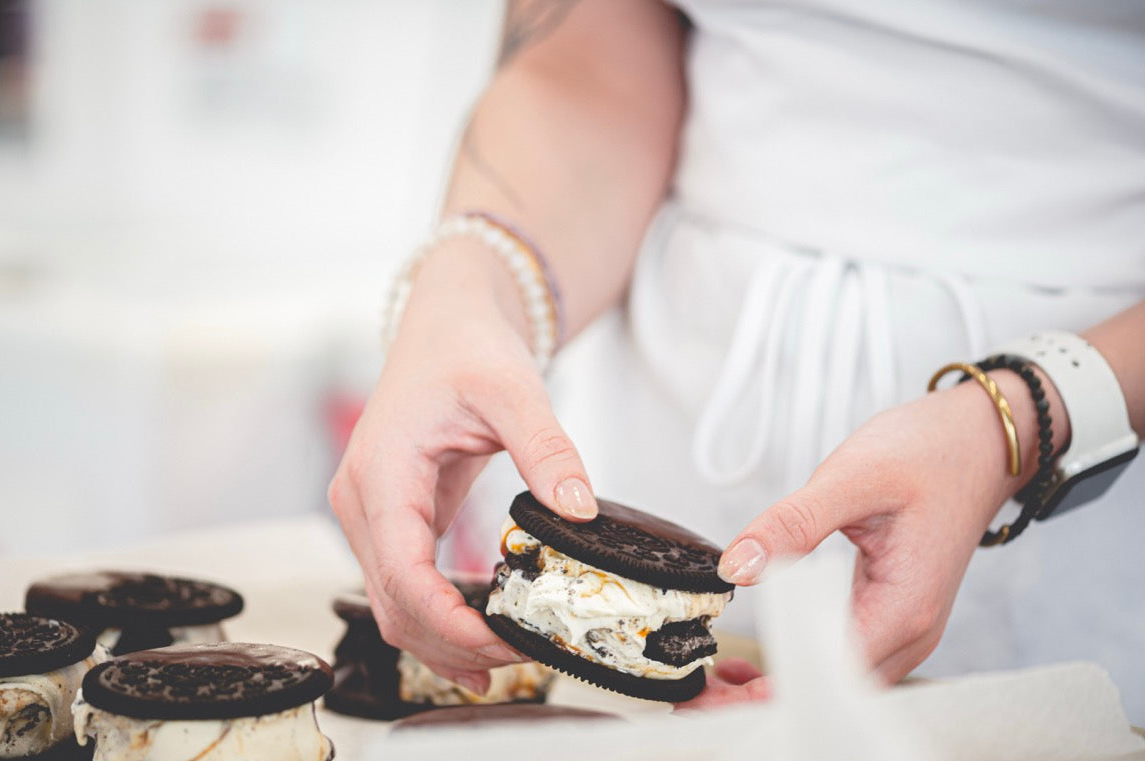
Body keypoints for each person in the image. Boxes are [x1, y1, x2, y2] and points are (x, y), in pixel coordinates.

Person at [329, 1, 1145, 715]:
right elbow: (587, 58)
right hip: (686, 407)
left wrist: (1026, 417)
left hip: (1088, 458)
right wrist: (469, 288)